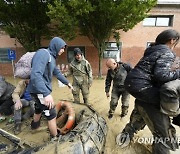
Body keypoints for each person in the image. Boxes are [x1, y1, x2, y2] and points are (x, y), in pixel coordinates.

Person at [117, 29, 180, 154]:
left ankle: (124, 137)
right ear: (172, 40)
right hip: (144, 87)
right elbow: (162, 75)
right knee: (163, 134)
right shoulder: (167, 53)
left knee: (140, 113)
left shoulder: (152, 51)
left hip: (135, 87)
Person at [27, 37, 73, 139]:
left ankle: (34, 126)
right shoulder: (43, 54)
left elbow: (57, 72)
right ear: (55, 46)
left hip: (40, 90)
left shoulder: (52, 58)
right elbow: (35, 75)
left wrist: (67, 83)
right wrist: (46, 94)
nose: (63, 51)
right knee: (51, 113)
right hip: (39, 90)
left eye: (64, 49)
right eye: (61, 48)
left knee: (39, 108)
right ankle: (55, 138)